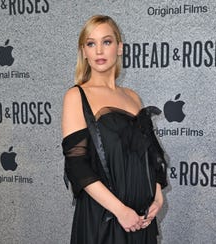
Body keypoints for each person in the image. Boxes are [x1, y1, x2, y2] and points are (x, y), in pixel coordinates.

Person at [61, 15, 168, 244]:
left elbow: (151, 156)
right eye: (91, 43)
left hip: (141, 220)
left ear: (119, 48)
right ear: (84, 51)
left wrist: (157, 197)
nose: (99, 50)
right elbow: (77, 166)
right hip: (105, 220)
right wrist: (121, 211)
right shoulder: (76, 96)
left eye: (106, 42)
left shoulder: (132, 97)